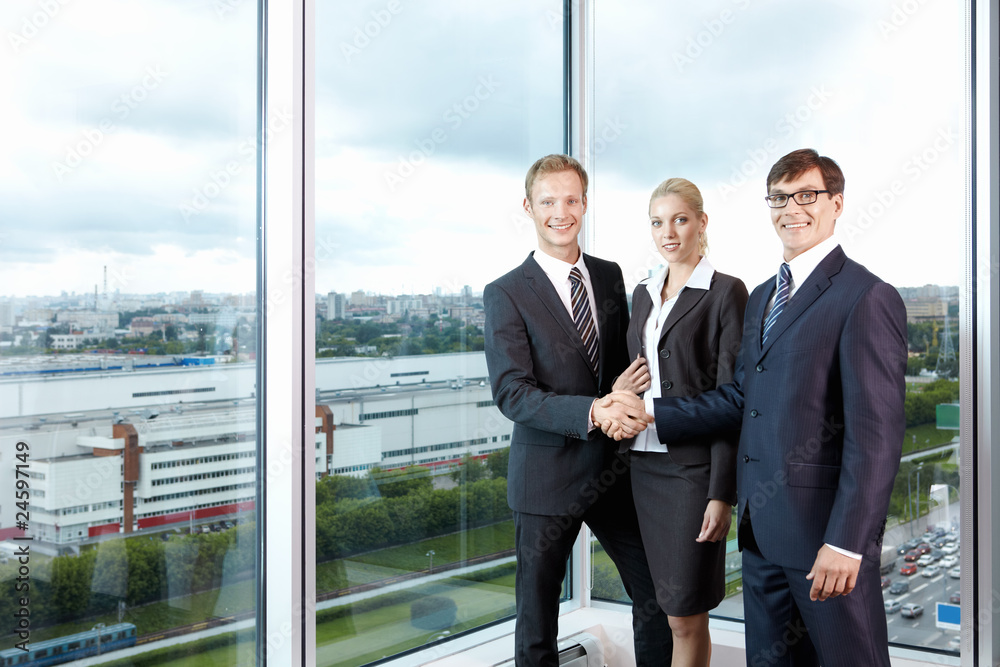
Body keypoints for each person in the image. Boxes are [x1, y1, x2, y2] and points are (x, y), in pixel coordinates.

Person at [603, 149, 907, 667]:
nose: (792, 209)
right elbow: (741, 398)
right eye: (780, 198)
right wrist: (652, 414)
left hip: (824, 542)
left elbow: (876, 437)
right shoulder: (766, 295)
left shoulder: (866, 296)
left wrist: (848, 543)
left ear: (836, 204)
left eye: (807, 195)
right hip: (762, 537)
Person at [484, 154, 673, 666]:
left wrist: (621, 392)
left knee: (656, 597)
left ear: (585, 203)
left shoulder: (609, 276)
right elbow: (512, 392)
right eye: (548, 201)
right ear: (529, 207)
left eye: (571, 200)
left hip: (612, 473)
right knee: (537, 623)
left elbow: (617, 367)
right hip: (544, 479)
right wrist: (593, 411)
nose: (560, 212)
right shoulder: (505, 292)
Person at [611, 178, 747, 666]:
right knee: (660, 609)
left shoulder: (726, 292)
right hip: (639, 468)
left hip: (691, 474)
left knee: (685, 616)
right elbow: (638, 373)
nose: (667, 232)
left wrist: (721, 493)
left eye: (680, 220)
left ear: (701, 222)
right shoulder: (644, 293)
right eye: (657, 222)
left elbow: (733, 399)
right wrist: (620, 394)